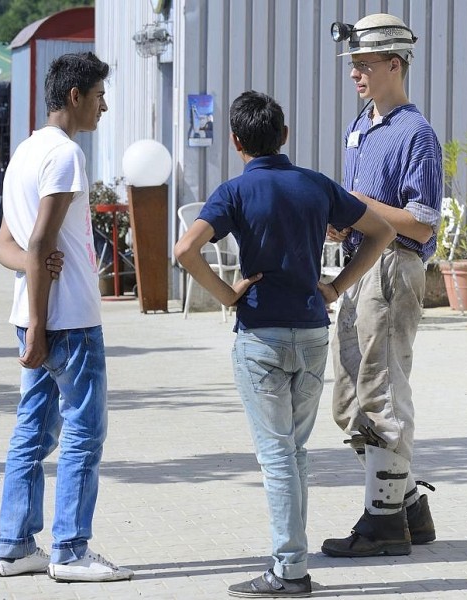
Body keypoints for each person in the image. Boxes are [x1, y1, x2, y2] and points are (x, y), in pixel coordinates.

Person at [174, 90, 395, 598]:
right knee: (295, 452)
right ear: (285, 136)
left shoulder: (233, 192)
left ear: (235, 141)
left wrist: (229, 295)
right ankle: (291, 559)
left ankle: (290, 569)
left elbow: (185, 249)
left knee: (276, 457)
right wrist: (337, 287)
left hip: (261, 337)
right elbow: (381, 231)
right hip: (313, 330)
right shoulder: (315, 186)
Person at [0, 51, 133, 583]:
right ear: (74, 97)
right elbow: (39, 239)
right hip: (65, 317)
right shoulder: (66, 154)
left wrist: (32, 266)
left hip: (34, 314)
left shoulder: (24, 152)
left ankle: (15, 545)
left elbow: (6, 246)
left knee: (32, 430)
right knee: (82, 433)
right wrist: (41, 314)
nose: (103, 107)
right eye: (98, 97)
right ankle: (70, 551)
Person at [320, 13, 443, 558]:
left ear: (396, 64)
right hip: (359, 266)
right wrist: (341, 219)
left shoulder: (415, 132)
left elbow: (421, 220)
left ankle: (384, 523)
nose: (355, 75)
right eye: (353, 66)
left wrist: (358, 209)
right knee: (349, 401)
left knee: (382, 393)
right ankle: (408, 504)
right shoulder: (362, 125)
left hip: (393, 267)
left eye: (365, 65)